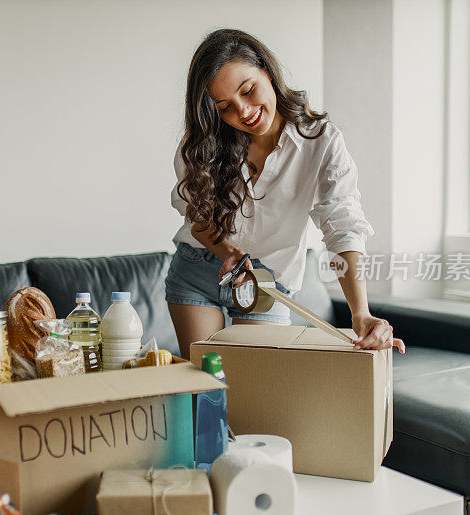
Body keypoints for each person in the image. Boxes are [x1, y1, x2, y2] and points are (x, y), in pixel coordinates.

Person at [165, 28, 406, 359]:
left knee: (255, 396)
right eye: (225, 107)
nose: (244, 112)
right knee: (205, 392)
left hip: (268, 284)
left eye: (248, 90)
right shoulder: (201, 145)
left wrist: (360, 312)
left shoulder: (320, 142)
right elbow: (197, 217)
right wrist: (227, 252)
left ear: (266, 69)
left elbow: (342, 225)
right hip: (198, 269)